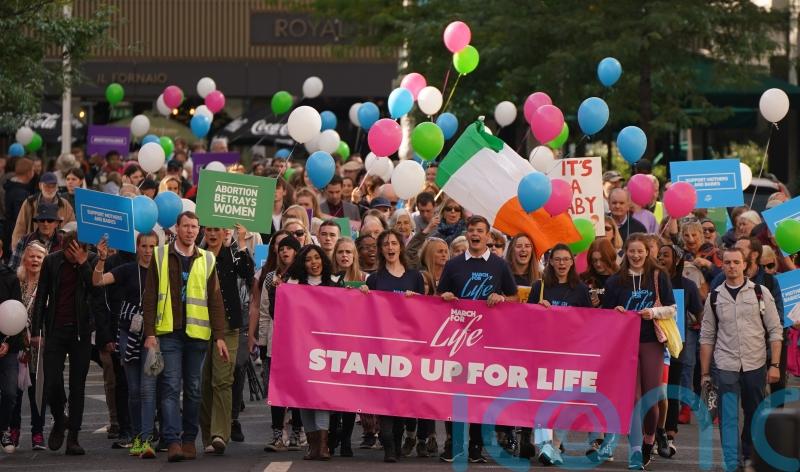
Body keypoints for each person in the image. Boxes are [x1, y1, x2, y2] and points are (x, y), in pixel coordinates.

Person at [142, 211, 229, 462]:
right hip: (168, 332)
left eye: (194, 227)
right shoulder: (160, 255)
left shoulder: (208, 259)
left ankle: (190, 439)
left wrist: (220, 336)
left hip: (197, 334)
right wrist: (150, 333)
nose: (191, 231)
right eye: (186, 226)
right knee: (169, 387)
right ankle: (173, 441)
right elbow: (149, 297)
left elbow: (215, 300)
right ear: (177, 228)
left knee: (193, 389)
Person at [437, 215, 517, 463]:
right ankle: (453, 443)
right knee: (455, 393)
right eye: (471, 230)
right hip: (457, 341)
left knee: (481, 395)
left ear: (488, 236)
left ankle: (475, 446)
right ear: (467, 233)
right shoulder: (453, 265)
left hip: (487, 342)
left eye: (480, 231)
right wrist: (446, 296)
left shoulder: (499, 265)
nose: (475, 234)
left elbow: (514, 298)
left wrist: (502, 299)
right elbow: (439, 297)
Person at [700, 247, 782, 471]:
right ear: (722, 265)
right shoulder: (714, 297)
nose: (732, 266)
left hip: (755, 363)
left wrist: (774, 365)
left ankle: (749, 456)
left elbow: (775, 330)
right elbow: (706, 336)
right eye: (727, 262)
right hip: (725, 364)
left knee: (754, 414)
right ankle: (732, 463)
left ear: (745, 265)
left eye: (736, 262)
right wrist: (705, 373)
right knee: (728, 418)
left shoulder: (760, 292)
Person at [601, 233, 676, 469]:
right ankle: (634, 451)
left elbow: (672, 309)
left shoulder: (658, 276)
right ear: (625, 253)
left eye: (640, 251)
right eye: (631, 251)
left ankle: (648, 440)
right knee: (632, 398)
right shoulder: (615, 281)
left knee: (650, 398)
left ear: (647, 252)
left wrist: (652, 313)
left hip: (651, 341)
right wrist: (617, 311)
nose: (636, 255)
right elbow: (604, 315)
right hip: (625, 344)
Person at [360, 230, 424, 462]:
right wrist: (364, 294)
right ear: (381, 249)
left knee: (402, 401)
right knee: (386, 398)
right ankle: (388, 445)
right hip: (383, 346)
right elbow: (367, 313)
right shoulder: (374, 279)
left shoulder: (415, 276)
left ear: (401, 247)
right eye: (385, 244)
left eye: (394, 243)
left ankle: (397, 443)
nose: (390, 247)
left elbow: (425, 312)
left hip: (407, 347)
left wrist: (416, 298)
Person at [92, 232, 159, 458]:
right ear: (137, 248)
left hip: (153, 334)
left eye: (152, 246)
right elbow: (98, 281)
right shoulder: (128, 269)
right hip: (127, 333)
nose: (148, 250)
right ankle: (137, 435)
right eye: (144, 246)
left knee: (148, 389)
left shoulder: (163, 272)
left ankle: (147, 438)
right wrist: (101, 259)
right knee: (134, 390)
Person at [30, 232, 98, 455]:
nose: (73, 254)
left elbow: (95, 289)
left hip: (81, 331)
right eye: (70, 250)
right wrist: (37, 329)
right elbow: (42, 295)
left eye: (78, 250)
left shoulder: (91, 261)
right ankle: (60, 420)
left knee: (78, 386)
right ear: (64, 247)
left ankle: (74, 438)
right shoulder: (52, 261)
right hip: (56, 328)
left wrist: (83, 263)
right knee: (51, 381)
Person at [527, 244, 592, 464]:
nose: (562, 263)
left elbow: (590, 322)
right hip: (544, 352)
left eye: (566, 259)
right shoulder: (540, 286)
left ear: (572, 262)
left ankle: (554, 445)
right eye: (558, 259)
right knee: (543, 399)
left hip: (570, 353)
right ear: (551, 261)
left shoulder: (581, 290)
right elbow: (525, 317)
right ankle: (545, 445)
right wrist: (538, 309)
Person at [284, 245, 343, 460]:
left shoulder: (335, 282)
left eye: (317, 258)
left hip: (326, 349)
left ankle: (324, 445)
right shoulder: (293, 285)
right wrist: (277, 287)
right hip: (299, 348)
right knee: (303, 397)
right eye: (308, 259)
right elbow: (277, 312)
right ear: (302, 263)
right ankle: (313, 445)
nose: (314, 263)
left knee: (321, 396)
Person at [198, 225, 253, 455]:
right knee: (202, 383)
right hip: (199, 326)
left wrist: (241, 244)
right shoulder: (195, 256)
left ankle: (220, 434)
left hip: (229, 327)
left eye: (218, 229)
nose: (213, 234)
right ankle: (208, 435)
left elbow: (248, 273)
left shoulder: (232, 254)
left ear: (225, 233)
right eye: (209, 229)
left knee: (222, 379)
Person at [252, 233, 305, 453]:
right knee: (277, 391)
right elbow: (264, 310)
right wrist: (262, 341)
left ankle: (297, 432)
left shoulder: (302, 276)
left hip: (300, 342)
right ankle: (277, 435)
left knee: (298, 389)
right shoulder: (270, 277)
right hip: (275, 340)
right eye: (281, 248)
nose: (285, 251)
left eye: (290, 248)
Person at [656, 243, 703, 459]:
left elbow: (699, 313)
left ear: (676, 259)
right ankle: (651, 434)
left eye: (665, 255)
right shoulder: (651, 282)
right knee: (653, 393)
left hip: (675, 347)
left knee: (671, 392)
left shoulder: (687, 286)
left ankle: (669, 435)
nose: (661, 258)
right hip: (652, 346)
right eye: (658, 255)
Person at [9, 241, 47, 451]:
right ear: (24, 259)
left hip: (38, 345)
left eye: (39, 257)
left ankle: (38, 433)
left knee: (37, 392)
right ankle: (13, 430)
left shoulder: (47, 283)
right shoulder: (16, 281)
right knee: (14, 391)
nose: (34, 260)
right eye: (31, 256)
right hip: (16, 343)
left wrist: (41, 337)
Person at [11, 172, 75, 249]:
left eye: (53, 186)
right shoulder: (29, 203)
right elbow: (20, 228)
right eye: (47, 186)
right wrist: (17, 249)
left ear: (57, 187)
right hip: (32, 248)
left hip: (57, 248)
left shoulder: (65, 205)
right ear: (40, 186)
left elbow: (72, 228)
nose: (50, 189)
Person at [0, 243, 23, 454]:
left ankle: (3, 428)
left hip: (7, 346)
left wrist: (7, 342)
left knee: (9, 392)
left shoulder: (10, 278)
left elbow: (16, 313)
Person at [9, 203, 63, 271]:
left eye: (50, 220)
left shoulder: (63, 242)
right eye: (42, 220)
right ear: (37, 222)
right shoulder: (25, 240)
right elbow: (13, 268)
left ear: (56, 223)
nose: (45, 224)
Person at [3, 158, 36, 256]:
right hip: (15, 235)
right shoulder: (20, 193)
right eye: (33, 170)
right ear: (29, 172)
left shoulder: (10, 187)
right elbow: (20, 218)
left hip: (8, 231)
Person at [581, 238, 619, 308]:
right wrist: (588, 304)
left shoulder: (620, 278)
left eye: (602, 260)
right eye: (595, 260)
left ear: (609, 258)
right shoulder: (583, 279)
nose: (598, 264)